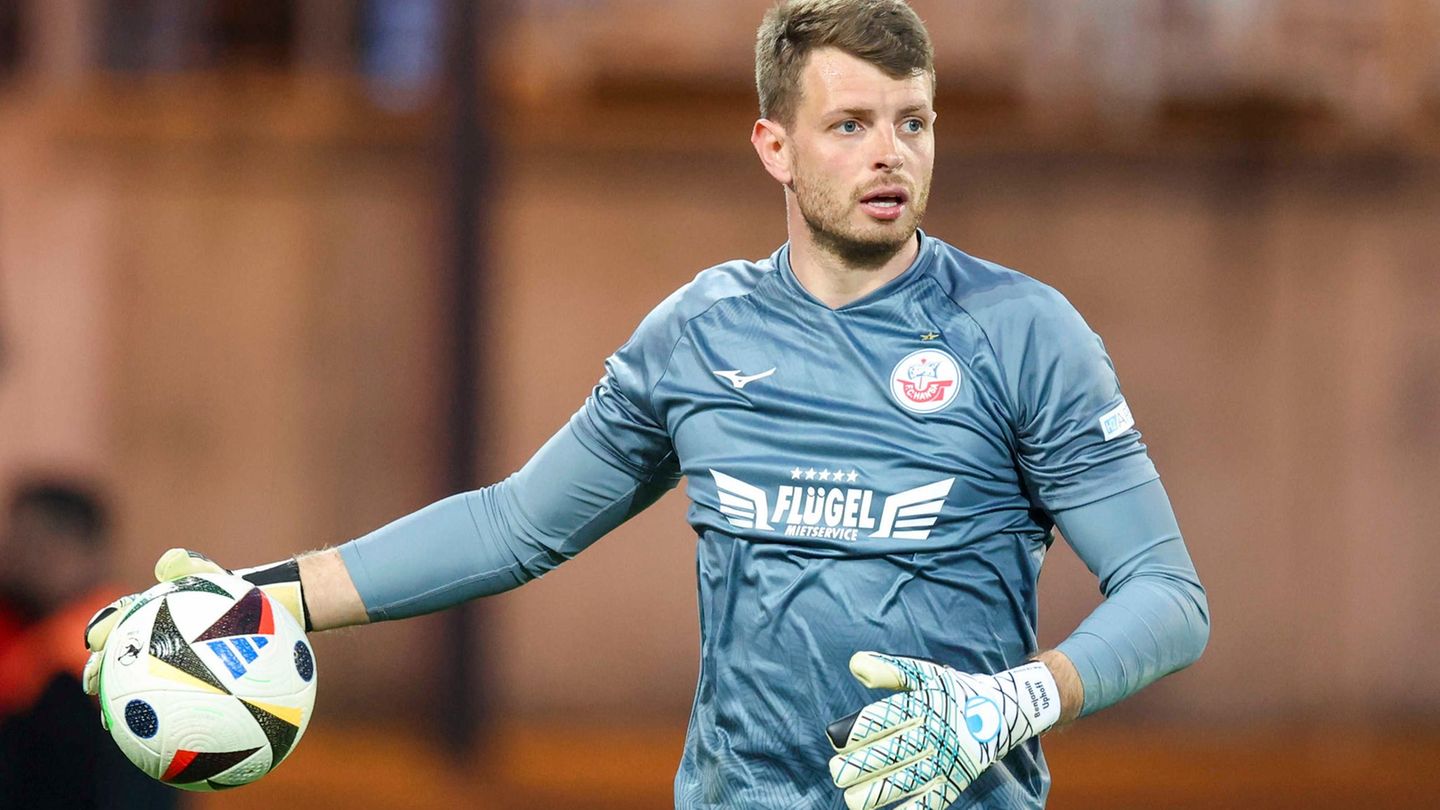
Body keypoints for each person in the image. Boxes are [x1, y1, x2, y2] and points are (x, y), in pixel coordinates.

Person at [82, 1, 1210, 807]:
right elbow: (516, 525)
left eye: (913, 122)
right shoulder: (701, 334)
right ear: (774, 144)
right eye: (851, 123)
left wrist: (1010, 704)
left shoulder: (1022, 332)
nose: (890, 154)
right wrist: (258, 601)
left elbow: (1168, 597)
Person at [0, 478, 177, 810]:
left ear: (91, 550)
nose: (22, 560)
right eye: (16, 543)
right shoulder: (26, 626)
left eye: (42, 545)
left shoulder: (119, 640)